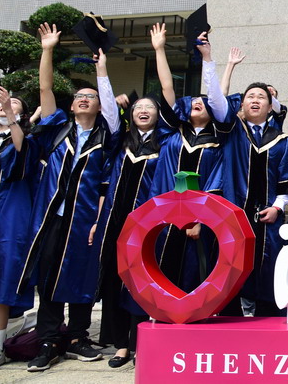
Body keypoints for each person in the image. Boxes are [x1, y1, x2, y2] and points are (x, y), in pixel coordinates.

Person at [21, 23, 121, 372]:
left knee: (82, 274)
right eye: (79, 95)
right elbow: (45, 88)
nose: (83, 98)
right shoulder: (58, 127)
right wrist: (47, 49)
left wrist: (101, 69)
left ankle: (78, 337)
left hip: (85, 218)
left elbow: (111, 109)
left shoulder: (106, 136)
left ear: (98, 106)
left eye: (90, 96)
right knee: (48, 276)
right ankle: (48, 340)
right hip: (53, 216)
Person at [149, 28, 234, 294]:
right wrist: (159, 49)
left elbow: (217, 181)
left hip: (201, 220)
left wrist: (201, 219)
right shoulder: (172, 132)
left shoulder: (218, 141)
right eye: (194, 100)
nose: (198, 102)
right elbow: (167, 88)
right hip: (165, 214)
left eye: (203, 101)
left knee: (194, 273)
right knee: (163, 270)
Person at [95, 87, 175, 368]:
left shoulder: (166, 143)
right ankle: (120, 344)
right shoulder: (121, 142)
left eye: (149, 107)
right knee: (114, 281)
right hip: (115, 223)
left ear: (158, 114)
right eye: (138, 107)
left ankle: (140, 342)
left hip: (146, 225)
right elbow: (110, 117)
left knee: (142, 282)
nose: (143, 110)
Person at [205, 77, 288, 317]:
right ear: (242, 104)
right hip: (233, 217)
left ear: (270, 106)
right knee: (229, 272)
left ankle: (269, 327)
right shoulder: (232, 131)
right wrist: (217, 64)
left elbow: (286, 181)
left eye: (261, 97)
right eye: (250, 97)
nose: (255, 100)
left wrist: (277, 208)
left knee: (268, 273)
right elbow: (215, 101)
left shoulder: (280, 139)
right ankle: (228, 326)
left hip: (267, 220)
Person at [0, 88, 31, 372]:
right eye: (3, 103)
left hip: (5, 220)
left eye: (14, 103)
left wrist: (11, 116)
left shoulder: (23, 140)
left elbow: (21, 154)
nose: (6, 104)